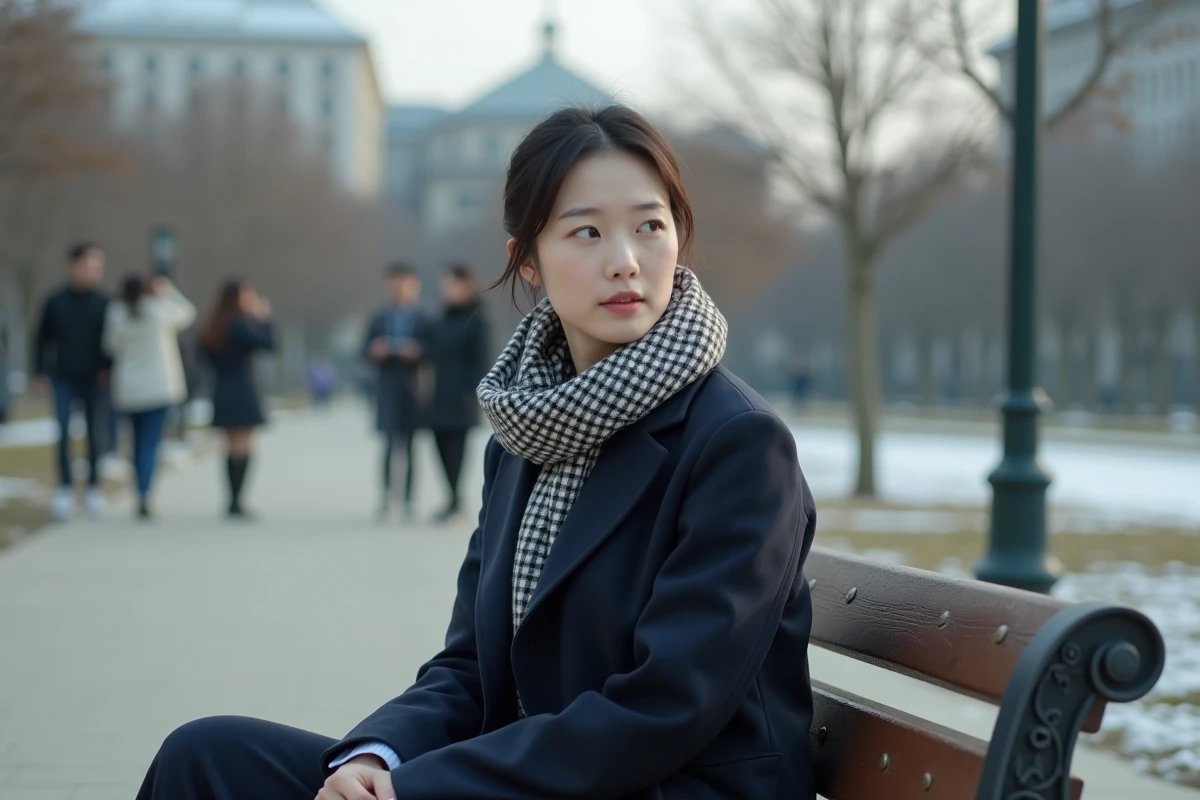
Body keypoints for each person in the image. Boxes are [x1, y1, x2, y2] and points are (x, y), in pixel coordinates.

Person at [134, 105, 818, 800]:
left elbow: (665, 708)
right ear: (527, 259)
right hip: (532, 776)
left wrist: (421, 790)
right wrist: (378, 759)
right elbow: (467, 667)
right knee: (207, 757)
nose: (625, 261)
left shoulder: (736, 444)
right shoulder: (527, 436)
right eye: (587, 232)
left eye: (650, 226)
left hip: (662, 785)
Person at [102, 274, 196, 519]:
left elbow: (110, 347)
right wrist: (167, 291)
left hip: (129, 388)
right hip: (158, 388)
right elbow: (187, 312)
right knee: (151, 443)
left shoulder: (116, 313)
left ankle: (139, 490)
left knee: (135, 442)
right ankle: (146, 492)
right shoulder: (158, 309)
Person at [32, 242, 112, 520]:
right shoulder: (55, 301)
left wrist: (108, 369)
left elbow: (112, 342)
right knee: (63, 431)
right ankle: (65, 488)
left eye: (98, 267)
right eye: (89, 266)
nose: (94, 272)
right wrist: (39, 373)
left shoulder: (105, 302)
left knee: (95, 434)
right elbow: (41, 339)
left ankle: (92, 489)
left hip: (95, 379)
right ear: (74, 266)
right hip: (63, 377)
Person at [198, 280, 274, 519]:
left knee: (230, 446)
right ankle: (237, 500)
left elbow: (204, 356)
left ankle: (232, 499)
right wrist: (263, 317)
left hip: (222, 387)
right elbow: (268, 344)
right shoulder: (240, 325)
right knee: (244, 445)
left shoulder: (214, 326)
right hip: (242, 387)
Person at [362, 263, 432, 520]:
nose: (399, 288)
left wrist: (417, 351)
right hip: (387, 388)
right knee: (389, 446)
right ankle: (385, 499)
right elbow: (364, 350)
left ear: (414, 286)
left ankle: (409, 501)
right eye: (394, 283)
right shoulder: (378, 317)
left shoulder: (424, 318)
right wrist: (375, 349)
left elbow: (433, 350)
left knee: (412, 447)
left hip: (413, 388)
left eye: (404, 282)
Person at [425, 263, 489, 523]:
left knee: (457, 449)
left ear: (465, 286)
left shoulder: (476, 319)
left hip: (462, 395)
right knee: (439, 445)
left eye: (450, 285)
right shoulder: (441, 317)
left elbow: (481, 358)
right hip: (439, 395)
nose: (446, 290)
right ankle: (451, 498)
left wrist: (474, 391)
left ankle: (455, 500)